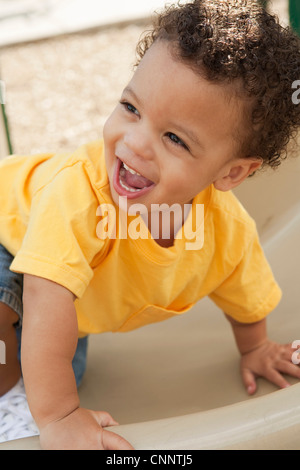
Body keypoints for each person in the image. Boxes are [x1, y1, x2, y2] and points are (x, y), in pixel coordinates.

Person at [0, 0, 300, 450]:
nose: (134, 143)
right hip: (9, 239)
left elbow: (246, 292)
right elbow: (47, 292)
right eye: (130, 107)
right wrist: (59, 416)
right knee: (14, 349)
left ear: (232, 173)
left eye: (175, 138)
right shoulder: (77, 194)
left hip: (68, 305)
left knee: (56, 364)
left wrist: (255, 348)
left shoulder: (226, 231)